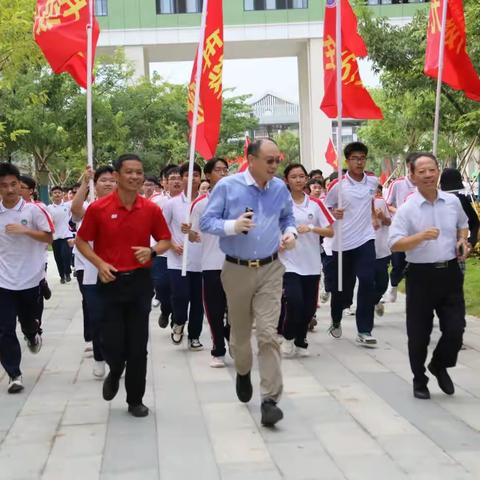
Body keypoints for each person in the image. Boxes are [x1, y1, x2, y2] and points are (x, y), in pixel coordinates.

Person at [200, 138, 297, 427]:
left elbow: (287, 216)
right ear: (250, 159)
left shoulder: (279, 188)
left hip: (270, 268)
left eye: (277, 160)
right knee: (240, 336)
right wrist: (232, 226)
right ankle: (243, 372)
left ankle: (270, 400)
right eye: (269, 160)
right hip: (236, 270)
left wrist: (290, 233)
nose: (274, 166)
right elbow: (207, 222)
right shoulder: (228, 187)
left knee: (268, 334)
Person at [76, 154, 171, 417]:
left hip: (140, 283)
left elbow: (165, 240)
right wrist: (99, 264)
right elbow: (82, 242)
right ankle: (115, 369)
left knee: (138, 345)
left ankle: (135, 399)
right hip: (110, 281)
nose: (135, 177)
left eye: (139, 172)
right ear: (117, 175)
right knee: (112, 342)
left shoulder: (150, 209)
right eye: (128, 172)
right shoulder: (99, 208)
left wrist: (151, 251)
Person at [389, 153, 469, 400]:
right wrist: (419, 237)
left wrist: (462, 241)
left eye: (431, 170)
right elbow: (395, 244)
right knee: (419, 334)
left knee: (456, 328)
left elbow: (463, 225)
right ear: (412, 176)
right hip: (421, 277)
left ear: (438, 172)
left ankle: (439, 363)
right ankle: (419, 379)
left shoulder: (452, 202)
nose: (427, 175)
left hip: (450, 273)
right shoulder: (407, 210)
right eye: (421, 171)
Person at [0, 163, 53, 393]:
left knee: (28, 322)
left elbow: (49, 238)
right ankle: (14, 373)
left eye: (13, 184)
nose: (10, 190)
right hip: (3, 280)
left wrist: (25, 231)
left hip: (30, 279)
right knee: (4, 329)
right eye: (4, 185)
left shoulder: (33, 211)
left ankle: (32, 334)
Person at [324, 142, 379, 347]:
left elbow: (370, 203)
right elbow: (326, 208)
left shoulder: (372, 182)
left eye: (362, 158)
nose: (359, 162)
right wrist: (333, 213)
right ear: (347, 161)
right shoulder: (338, 185)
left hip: (365, 239)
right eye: (355, 158)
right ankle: (336, 317)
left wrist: (374, 217)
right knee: (342, 290)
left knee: (367, 281)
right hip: (342, 243)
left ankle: (364, 330)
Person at [279, 164, 334, 357]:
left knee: (309, 307)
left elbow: (330, 230)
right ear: (287, 180)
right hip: (288, 263)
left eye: (302, 176)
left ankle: (301, 340)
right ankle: (287, 337)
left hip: (311, 263)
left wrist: (311, 228)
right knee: (295, 302)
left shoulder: (315, 204)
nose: (299, 180)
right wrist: (279, 241)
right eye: (293, 177)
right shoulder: (281, 203)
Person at [71, 165, 116, 378]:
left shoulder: (125, 207)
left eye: (112, 180)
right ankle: (99, 358)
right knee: (97, 318)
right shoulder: (90, 208)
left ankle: (117, 357)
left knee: (117, 320)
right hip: (92, 274)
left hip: (119, 273)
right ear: (95, 185)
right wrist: (83, 183)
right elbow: (75, 210)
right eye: (103, 180)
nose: (108, 183)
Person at [190, 158, 230, 367]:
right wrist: (189, 233)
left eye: (225, 170)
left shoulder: (238, 199)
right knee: (214, 309)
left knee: (235, 309)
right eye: (218, 170)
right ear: (207, 175)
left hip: (236, 263)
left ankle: (231, 335)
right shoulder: (200, 204)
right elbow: (194, 235)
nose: (223, 173)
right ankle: (218, 349)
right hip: (211, 264)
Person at [162, 162, 204, 350]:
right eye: (188, 175)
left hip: (202, 261)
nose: (192, 179)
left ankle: (194, 336)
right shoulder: (172, 204)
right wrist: (172, 244)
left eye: (196, 175)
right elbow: (161, 230)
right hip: (177, 261)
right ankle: (178, 322)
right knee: (180, 296)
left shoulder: (207, 202)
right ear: (181, 178)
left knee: (198, 301)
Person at [384, 153, 418, 302]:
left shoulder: (425, 185)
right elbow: (387, 204)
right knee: (398, 263)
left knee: (417, 266)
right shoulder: (397, 184)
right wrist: (399, 212)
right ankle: (394, 284)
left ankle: (417, 298)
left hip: (418, 231)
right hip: (400, 230)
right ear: (407, 167)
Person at [150, 165, 181, 324]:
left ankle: (177, 317)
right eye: (172, 179)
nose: (176, 181)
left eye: (179, 178)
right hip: (161, 252)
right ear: (165, 183)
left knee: (177, 289)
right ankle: (166, 309)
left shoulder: (188, 201)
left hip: (181, 254)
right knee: (161, 286)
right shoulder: (157, 202)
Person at [440, 168, 479, 251]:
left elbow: (474, 222)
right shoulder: (437, 201)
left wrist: (471, 241)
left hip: (458, 245)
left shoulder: (461, 200)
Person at [372, 184, 392, 317]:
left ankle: (374, 301)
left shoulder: (380, 202)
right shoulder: (354, 205)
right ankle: (367, 307)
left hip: (381, 248)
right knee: (367, 280)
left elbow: (389, 222)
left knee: (383, 281)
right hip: (362, 249)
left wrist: (382, 217)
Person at [47, 185, 73, 283]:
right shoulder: (48, 208)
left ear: (63, 195)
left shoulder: (68, 205)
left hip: (66, 236)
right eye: (55, 193)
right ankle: (62, 276)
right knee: (58, 258)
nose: (57, 194)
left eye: (59, 192)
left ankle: (67, 272)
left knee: (66, 255)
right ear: (51, 196)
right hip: (55, 237)